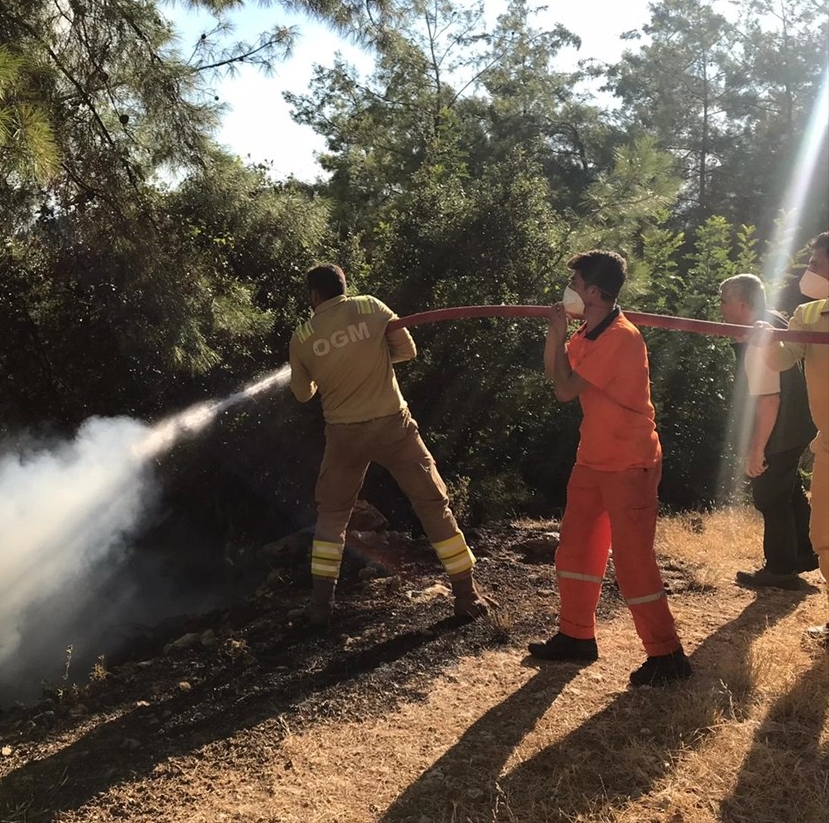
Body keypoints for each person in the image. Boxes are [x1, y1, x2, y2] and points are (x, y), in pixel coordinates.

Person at [288, 263, 492, 627]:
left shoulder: (302, 336)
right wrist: (371, 357)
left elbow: (303, 394)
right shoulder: (370, 307)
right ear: (343, 287)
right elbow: (406, 351)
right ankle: (466, 595)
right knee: (432, 503)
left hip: (344, 435)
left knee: (332, 517)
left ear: (314, 296)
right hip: (393, 427)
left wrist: (327, 375)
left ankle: (320, 607)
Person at [529, 250, 691, 687]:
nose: (572, 290)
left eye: (578, 284)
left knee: (634, 560)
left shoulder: (620, 337)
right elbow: (557, 374)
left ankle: (667, 654)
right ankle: (576, 636)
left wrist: (560, 333)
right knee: (576, 550)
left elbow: (565, 390)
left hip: (629, 463)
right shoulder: (588, 333)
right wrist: (557, 335)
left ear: (597, 292)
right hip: (594, 458)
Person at [718, 273, 818, 589]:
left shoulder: (757, 342)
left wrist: (757, 448)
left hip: (781, 429)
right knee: (787, 490)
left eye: (724, 301)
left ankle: (780, 569)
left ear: (743, 304)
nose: (720, 307)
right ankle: (804, 552)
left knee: (770, 497)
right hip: (799, 424)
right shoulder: (772, 323)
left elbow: (769, 400)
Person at [755, 231, 829, 640]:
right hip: (828, 447)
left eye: (816, 265)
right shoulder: (808, 314)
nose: (809, 272)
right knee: (824, 536)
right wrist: (768, 338)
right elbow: (784, 359)